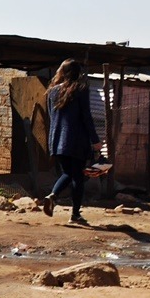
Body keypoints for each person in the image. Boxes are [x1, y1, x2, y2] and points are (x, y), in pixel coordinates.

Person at [42, 59, 102, 224]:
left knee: (70, 173)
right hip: (76, 140)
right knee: (77, 176)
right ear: (78, 73)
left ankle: (55, 197)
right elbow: (86, 117)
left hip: (57, 140)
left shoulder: (52, 92)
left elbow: (52, 118)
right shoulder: (80, 89)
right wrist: (95, 140)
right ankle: (73, 213)